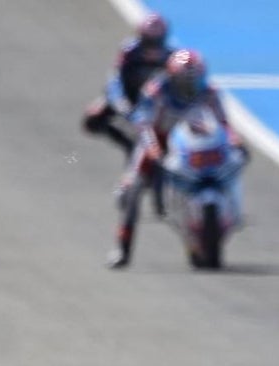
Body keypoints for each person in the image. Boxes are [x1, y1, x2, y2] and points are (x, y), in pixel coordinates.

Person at [108, 49, 243, 269]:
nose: (191, 88)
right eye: (185, 82)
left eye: (195, 81)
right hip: (160, 139)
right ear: (172, 78)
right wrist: (153, 150)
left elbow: (224, 123)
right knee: (134, 188)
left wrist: (235, 141)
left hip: (195, 143)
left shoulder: (211, 92)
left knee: (232, 163)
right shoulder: (155, 91)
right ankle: (122, 247)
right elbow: (145, 125)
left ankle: (227, 217)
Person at [81, 12, 173, 155]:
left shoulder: (172, 57)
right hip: (129, 97)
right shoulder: (129, 50)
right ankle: (128, 143)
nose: (152, 48)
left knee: (162, 140)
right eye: (148, 41)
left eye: (156, 42)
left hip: (156, 104)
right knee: (92, 119)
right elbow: (116, 79)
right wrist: (122, 103)